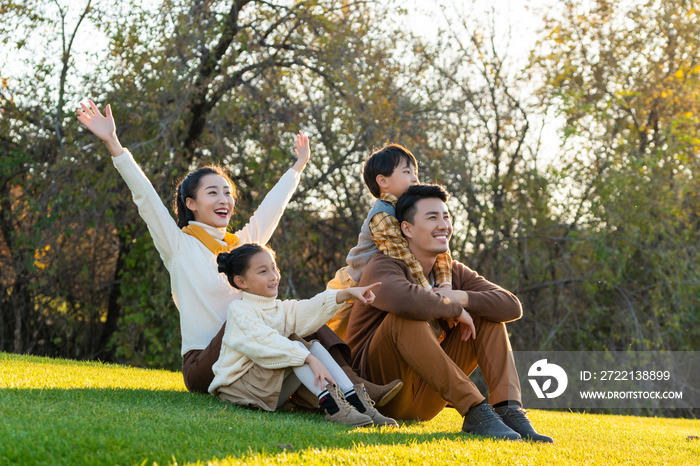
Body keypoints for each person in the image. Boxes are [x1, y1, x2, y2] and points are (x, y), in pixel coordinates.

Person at [76, 100, 400, 404]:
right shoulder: (178, 246)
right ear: (191, 204)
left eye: (227, 193)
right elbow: (145, 197)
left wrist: (298, 167)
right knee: (273, 323)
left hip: (246, 348)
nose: (224, 200)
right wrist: (114, 144)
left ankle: (355, 390)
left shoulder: (240, 247)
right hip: (206, 362)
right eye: (212, 192)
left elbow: (270, 211)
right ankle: (355, 392)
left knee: (301, 320)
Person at [344, 184, 554, 442]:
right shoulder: (383, 265)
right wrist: (454, 309)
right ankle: (476, 410)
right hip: (381, 393)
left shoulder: (453, 272)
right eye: (432, 217)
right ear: (407, 229)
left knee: (487, 315)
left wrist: (460, 297)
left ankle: (509, 409)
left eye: (446, 217)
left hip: (426, 399)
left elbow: (510, 305)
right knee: (405, 317)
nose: (443, 225)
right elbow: (405, 301)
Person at [210, 243, 398, 427]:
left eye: (274, 268)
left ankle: (358, 403)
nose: (274, 276)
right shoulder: (240, 310)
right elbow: (265, 341)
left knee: (313, 346)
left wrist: (349, 293)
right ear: (241, 281)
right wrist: (308, 358)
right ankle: (334, 409)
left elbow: (309, 308)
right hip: (240, 390)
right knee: (297, 347)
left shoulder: (279, 308)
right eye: (263, 271)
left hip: (266, 389)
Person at [325, 144, 453, 340]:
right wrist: (430, 295)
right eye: (407, 172)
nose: (415, 178)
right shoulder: (382, 215)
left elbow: (438, 247)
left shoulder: (409, 210)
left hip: (377, 285)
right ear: (383, 180)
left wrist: (445, 285)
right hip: (350, 286)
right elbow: (405, 258)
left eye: (415, 172)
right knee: (329, 337)